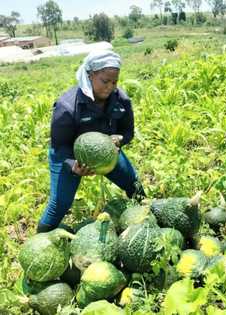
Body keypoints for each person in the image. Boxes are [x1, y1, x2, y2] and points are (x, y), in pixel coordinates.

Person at [37, 50, 146, 233]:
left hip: (106, 153)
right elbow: (59, 147)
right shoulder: (67, 107)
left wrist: (120, 139)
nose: (110, 87)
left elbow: (127, 132)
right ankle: (39, 243)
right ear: (90, 74)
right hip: (69, 156)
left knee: (134, 186)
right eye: (105, 81)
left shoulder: (122, 100)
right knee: (60, 204)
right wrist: (73, 166)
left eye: (115, 82)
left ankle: (148, 221)